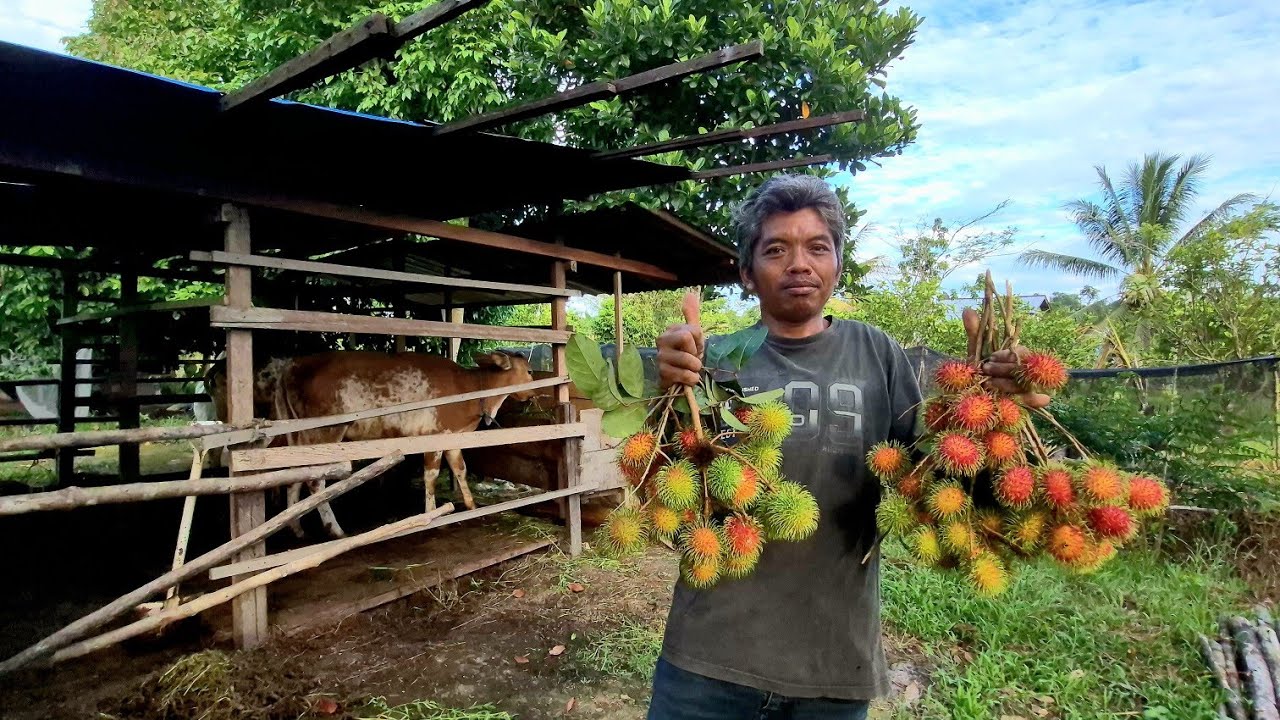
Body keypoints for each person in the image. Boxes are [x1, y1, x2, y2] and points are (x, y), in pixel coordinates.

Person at [647, 174, 1050, 719]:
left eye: (818, 247)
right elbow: (660, 492)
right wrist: (664, 386)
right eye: (775, 250)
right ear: (746, 273)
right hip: (707, 660)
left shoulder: (876, 352)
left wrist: (997, 418)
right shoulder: (708, 364)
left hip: (835, 664)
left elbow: (931, 479)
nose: (798, 263)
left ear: (837, 263)